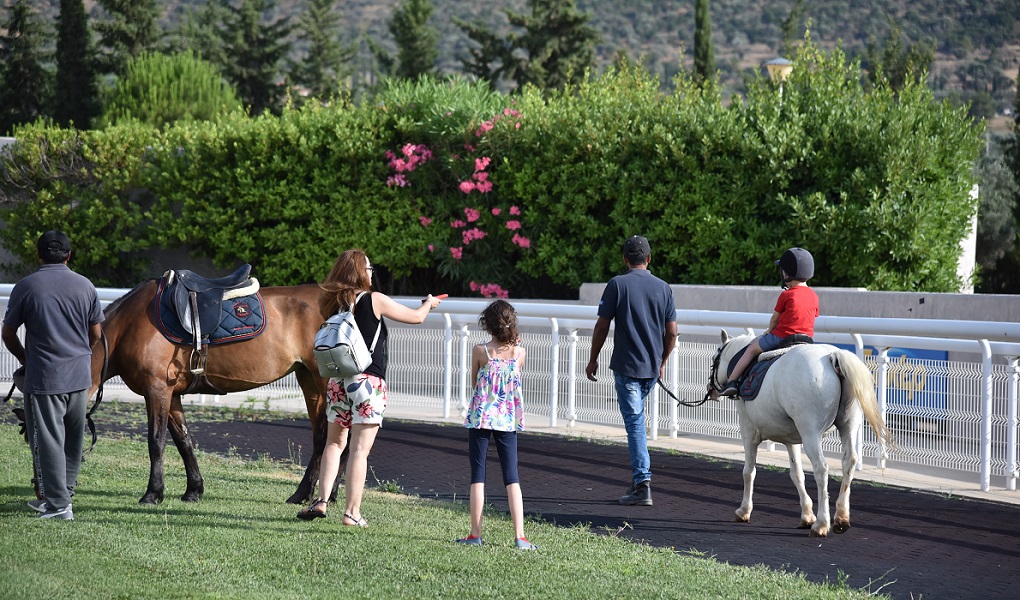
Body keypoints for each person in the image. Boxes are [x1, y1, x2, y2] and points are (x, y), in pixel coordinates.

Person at [297, 249, 443, 526]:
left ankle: (321, 501)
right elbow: (416, 317)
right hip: (368, 383)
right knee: (359, 451)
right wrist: (429, 303)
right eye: (369, 268)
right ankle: (352, 513)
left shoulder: (332, 303)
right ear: (360, 272)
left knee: (333, 444)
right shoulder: (374, 300)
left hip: (338, 381)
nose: (372, 272)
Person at [2, 230, 104, 520]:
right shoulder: (85, 286)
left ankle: (58, 506)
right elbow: (96, 333)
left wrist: (26, 358)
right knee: (73, 439)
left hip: (46, 378)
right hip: (79, 376)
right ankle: (61, 497)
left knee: (47, 440)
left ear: (39, 254)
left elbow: (7, 333)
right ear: (69, 255)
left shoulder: (26, 286)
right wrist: (82, 354)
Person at [585, 235, 677, 507]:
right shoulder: (664, 287)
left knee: (636, 425)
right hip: (651, 369)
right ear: (649, 259)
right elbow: (671, 332)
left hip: (626, 368)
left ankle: (642, 483)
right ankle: (640, 480)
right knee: (637, 422)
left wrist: (593, 359)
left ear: (625, 259)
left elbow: (602, 326)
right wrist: (661, 361)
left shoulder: (617, 284)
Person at [455, 300, 537, 550]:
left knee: (478, 475)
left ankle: (475, 534)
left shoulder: (480, 351)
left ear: (487, 324)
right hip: (508, 419)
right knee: (512, 477)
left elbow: (474, 382)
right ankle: (520, 536)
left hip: (481, 417)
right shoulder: (520, 353)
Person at [720, 247, 819, 397]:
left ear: (787, 273)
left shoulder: (787, 294)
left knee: (751, 349)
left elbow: (775, 318)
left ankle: (731, 382)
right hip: (807, 338)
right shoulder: (814, 296)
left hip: (782, 337)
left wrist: (769, 331)